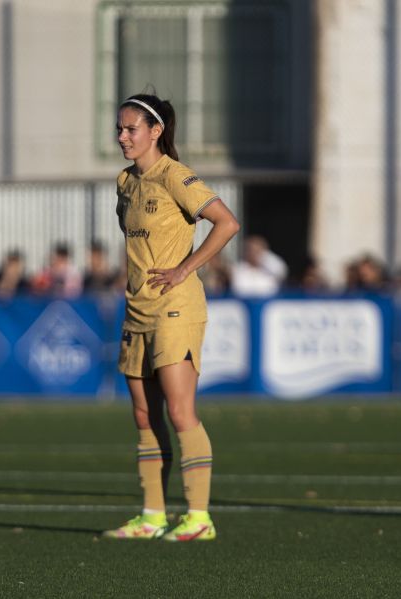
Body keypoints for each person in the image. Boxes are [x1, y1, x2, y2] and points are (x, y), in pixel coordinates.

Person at [103, 92, 240, 542]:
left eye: (131, 129)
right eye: (120, 128)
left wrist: (185, 267)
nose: (122, 136)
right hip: (137, 309)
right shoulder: (125, 181)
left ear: (156, 131)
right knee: (145, 416)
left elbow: (226, 222)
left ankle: (199, 518)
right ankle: (153, 516)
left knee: (181, 412)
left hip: (177, 308)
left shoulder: (175, 176)